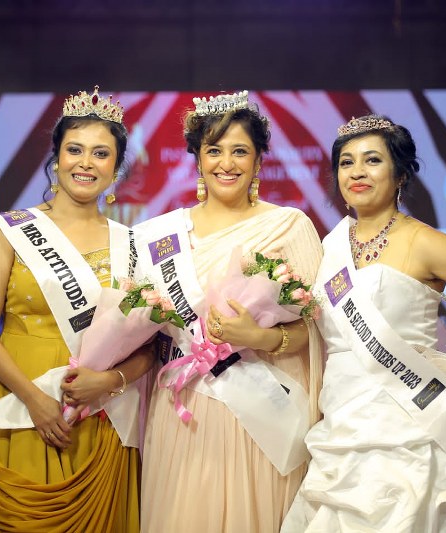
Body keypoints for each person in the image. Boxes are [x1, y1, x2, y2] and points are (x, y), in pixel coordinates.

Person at [282, 114, 446, 532]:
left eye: (372, 160)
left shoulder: (422, 241)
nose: (357, 172)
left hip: (410, 427)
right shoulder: (330, 247)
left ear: (400, 174)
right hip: (341, 428)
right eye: (346, 162)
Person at [135, 91, 324, 532]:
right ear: (198, 159)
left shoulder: (288, 226)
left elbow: (319, 333)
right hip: (182, 410)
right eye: (214, 150)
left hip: (259, 415)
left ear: (258, 162)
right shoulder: (159, 235)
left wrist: (258, 337)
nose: (226, 163)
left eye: (240, 151)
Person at [0, 86, 153, 532]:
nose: (86, 162)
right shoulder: (10, 231)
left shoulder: (133, 244)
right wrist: (34, 401)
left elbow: (151, 344)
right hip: (17, 406)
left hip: (100, 413)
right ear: (56, 158)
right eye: (75, 149)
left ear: (115, 169)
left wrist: (108, 381)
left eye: (101, 154)